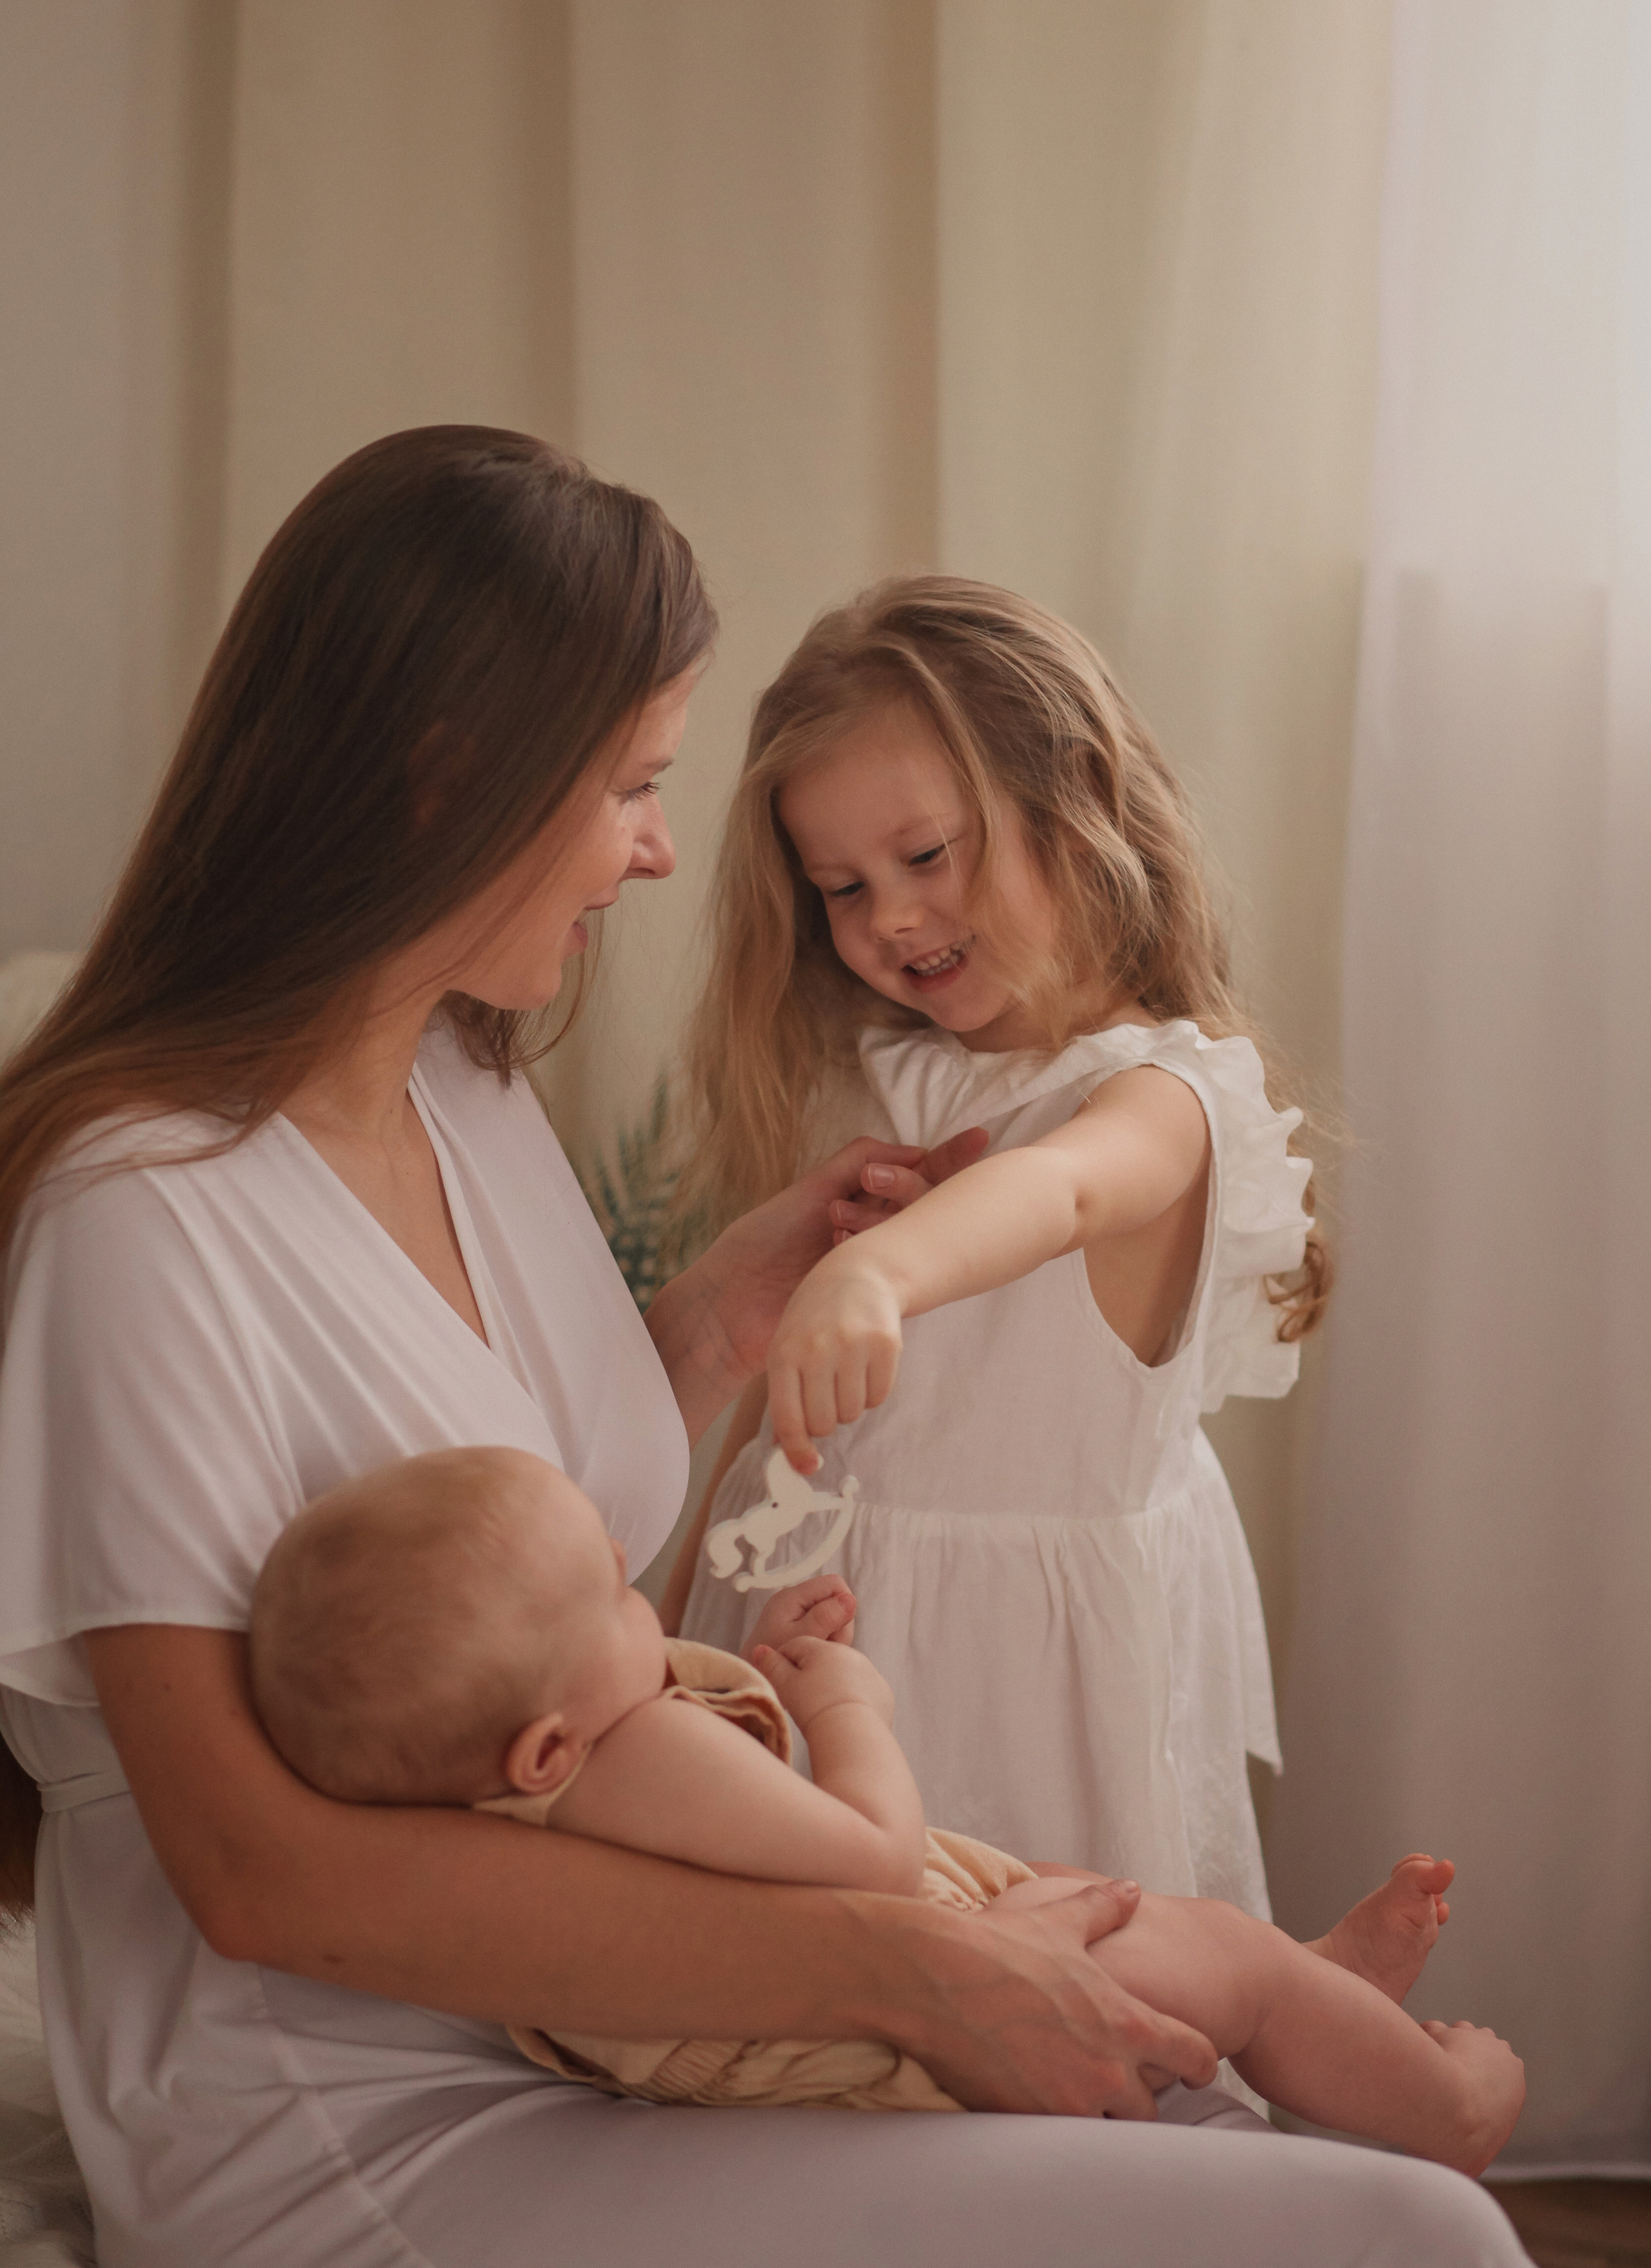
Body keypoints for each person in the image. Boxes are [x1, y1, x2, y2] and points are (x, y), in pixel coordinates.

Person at [0, 430, 1530, 2268]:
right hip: (365, 2110)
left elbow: (517, 1580)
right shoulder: (140, 1212)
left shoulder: (463, 1090)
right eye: (631, 785)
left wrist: (710, 1320)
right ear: (448, 778)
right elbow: (257, 1874)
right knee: (1406, 2237)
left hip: (634, 2034)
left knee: (1323, 2164)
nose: (658, 850)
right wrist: (903, 1964)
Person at [252, 1444, 1526, 2173]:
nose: (638, 1591)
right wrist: (850, 1711)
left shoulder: (511, 1811)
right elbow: (872, 1856)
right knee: (1219, 1953)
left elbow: (738, 1852)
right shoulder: (632, 1756)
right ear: (545, 1750)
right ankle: (1439, 2105)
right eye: (611, 1592)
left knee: (1100, 1903)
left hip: (790, 2055)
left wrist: (747, 1669)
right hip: (895, 2041)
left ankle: (1317, 1992)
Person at [671, 579, 1319, 1922]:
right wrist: (681, 1629)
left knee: (1033, 1957)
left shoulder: (1161, 1097)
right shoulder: (875, 1080)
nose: (891, 919)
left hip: (1015, 1669)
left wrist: (877, 1270)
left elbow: (1059, 1193)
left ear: (1074, 802)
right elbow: (776, 1419)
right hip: (811, 1625)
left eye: (926, 856)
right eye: (842, 888)